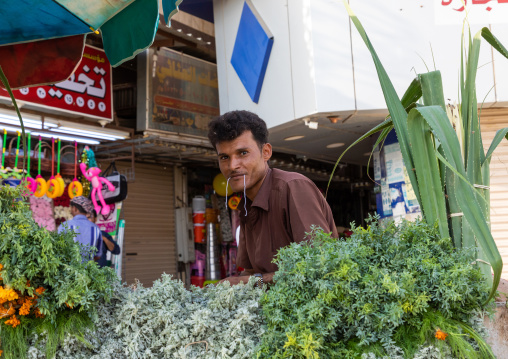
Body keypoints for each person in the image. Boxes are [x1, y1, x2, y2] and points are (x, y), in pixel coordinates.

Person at [208, 110, 338, 287]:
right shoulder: (245, 204)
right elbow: (252, 272)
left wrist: (249, 281)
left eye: (243, 153)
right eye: (224, 157)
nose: (232, 165)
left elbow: (322, 266)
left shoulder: (293, 187)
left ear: (266, 152)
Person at [58, 196, 102, 261]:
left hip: (69, 269)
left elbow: (59, 251)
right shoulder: (95, 228)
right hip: (89, 270)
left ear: (75, 209)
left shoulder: (65, 226)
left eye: (71, 208)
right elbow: (98, 255)